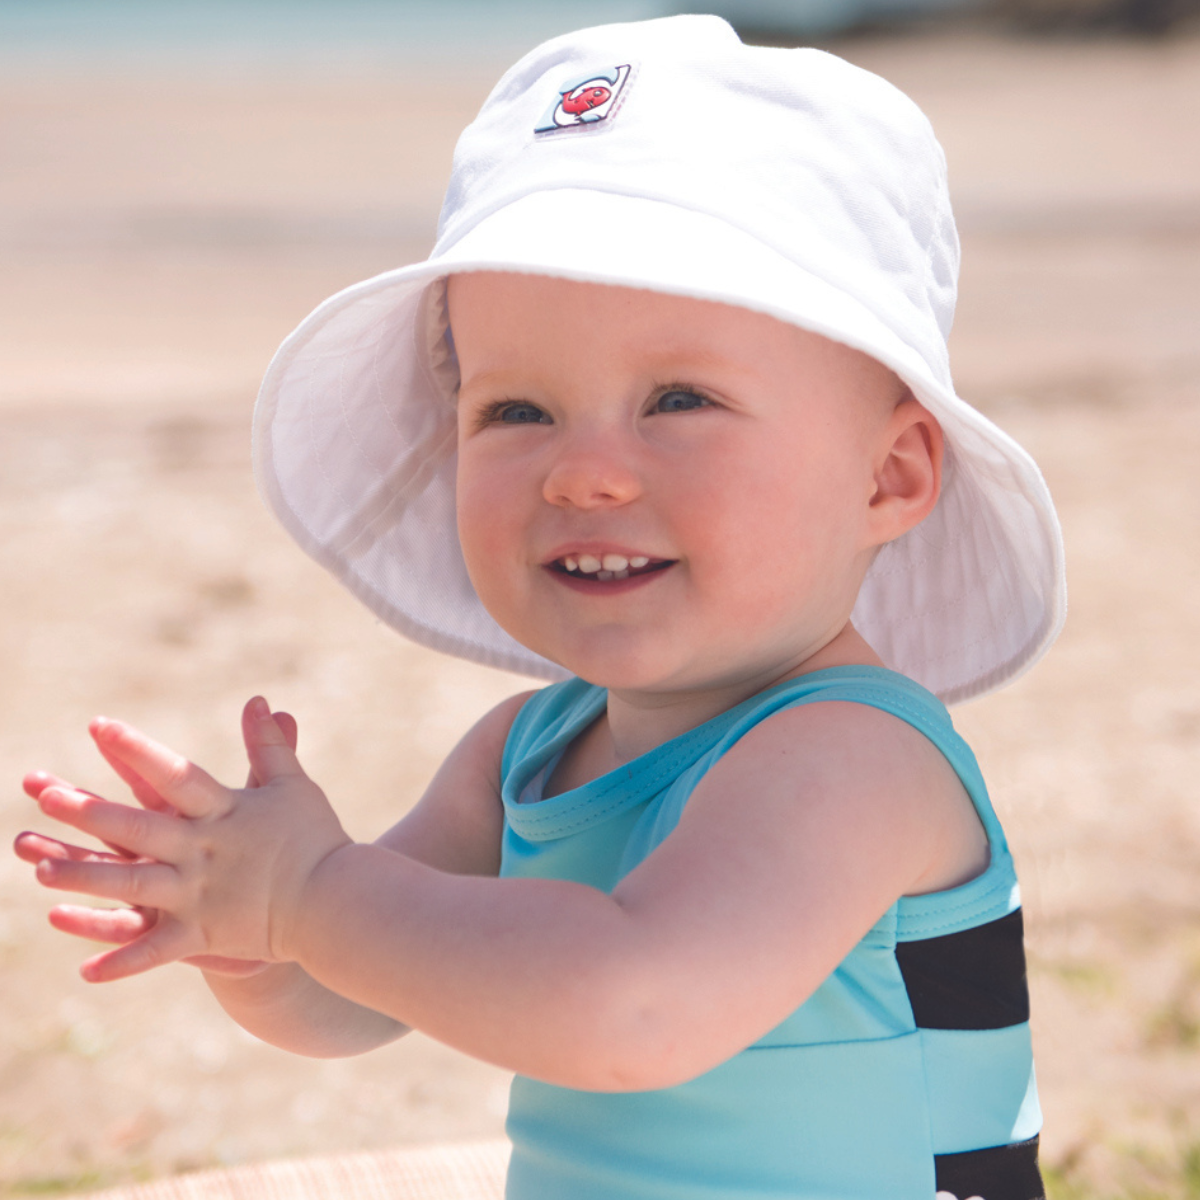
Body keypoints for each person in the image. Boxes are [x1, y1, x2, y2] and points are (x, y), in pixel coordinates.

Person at [14, 15, 1065, 1200]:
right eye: (517, 411)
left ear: (889, 477)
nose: (584, 473)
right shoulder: (528, 750)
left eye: (678, 398)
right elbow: (346, 991)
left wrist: (315, 894)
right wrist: (247, 925)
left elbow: (632, 1007)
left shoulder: (853, 758)